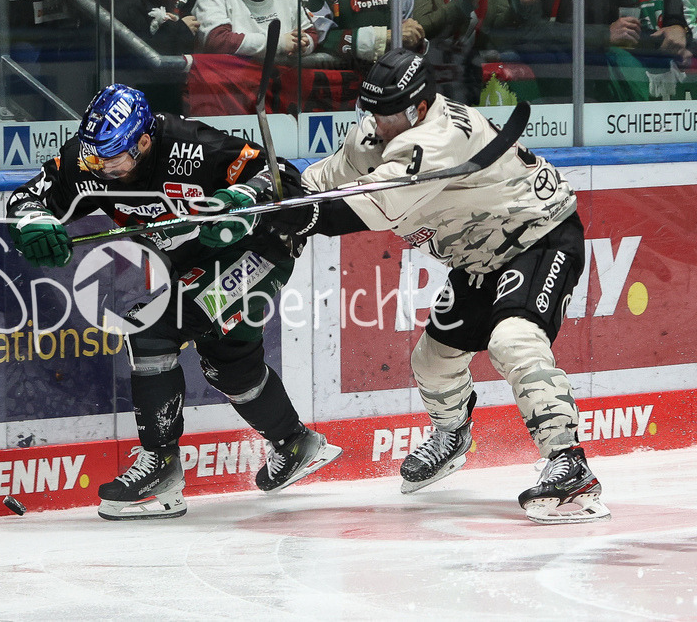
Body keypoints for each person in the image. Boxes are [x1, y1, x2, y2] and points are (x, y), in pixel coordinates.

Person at [220, 49, 608, 524]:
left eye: (384, 114)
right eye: (370, 111)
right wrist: (273, 189)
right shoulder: (379, 127)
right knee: (433, 360)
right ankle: (452, 434)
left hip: (538, 235)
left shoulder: (438, 139)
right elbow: (324, 180)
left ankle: (570, 463)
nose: (374, 123)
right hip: (477, 258)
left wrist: (303, 216)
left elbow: (367, 205)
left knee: (513, 340)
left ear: (418, 108)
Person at [4, 83, 341, 520]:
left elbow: (283, 176)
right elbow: (26, 198)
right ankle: (295, 443)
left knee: (151, 328)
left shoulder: (191, 147)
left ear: (144, 141)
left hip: (259, 250)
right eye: (93, 158)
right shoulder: (87, 160)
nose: (101, 169)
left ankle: (160, 465)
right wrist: (32, 221)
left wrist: (242, 197)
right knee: (230, 366)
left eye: (113, 159)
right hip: (195, 264)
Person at [402, 0, 563, 104]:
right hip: (429, 73)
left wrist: (520, 3)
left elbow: (496, 31)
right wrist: (464, 4)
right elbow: (420, 28)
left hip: (469, 72)